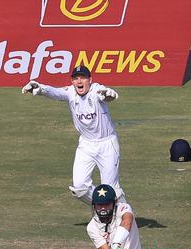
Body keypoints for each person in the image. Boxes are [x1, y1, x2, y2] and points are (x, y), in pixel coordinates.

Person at [21, 64, 125, 205]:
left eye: (83, 78)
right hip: (86, 145)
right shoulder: (71, 92)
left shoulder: (96, 90)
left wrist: (109, 95)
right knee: (79, 188)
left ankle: (122, 214)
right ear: (72, 81)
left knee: (110, 188)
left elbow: (106, 96)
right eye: (76, 78)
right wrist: (40, 89)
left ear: (90, 80)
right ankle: (103, 208)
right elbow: (55, 92)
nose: (79, 81)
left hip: (106, 144)